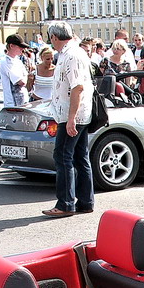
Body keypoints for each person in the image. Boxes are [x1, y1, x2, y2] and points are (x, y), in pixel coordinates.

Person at [42, 21, 94, 218]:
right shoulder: (73, 52)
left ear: (55, 37)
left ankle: (65, 203)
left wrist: (71, 118)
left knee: (63, 156)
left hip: (71, 114)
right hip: (76, 113)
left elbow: (77, 87)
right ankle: (85, 201)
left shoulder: (71, 55)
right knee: (80, 157)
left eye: (51, 38)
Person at [0, 34, 30, 107]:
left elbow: (26, 77)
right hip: (12, 104)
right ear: (11, 46)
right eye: (20, 47)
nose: (22, 49)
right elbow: (21, 82)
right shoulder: (6, 62)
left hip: (23, 100)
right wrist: (25, 78)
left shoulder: (18, 61)